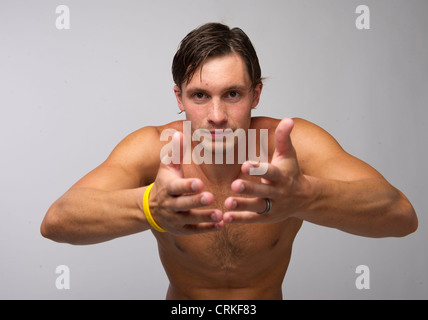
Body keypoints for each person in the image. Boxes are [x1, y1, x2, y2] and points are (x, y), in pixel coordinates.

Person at [41, 22, 418, 300]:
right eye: (200, 95)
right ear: (179, 98)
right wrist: (149, 206)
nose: (217, 115)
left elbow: (401, 215)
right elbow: (58, 220)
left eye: (232, 94)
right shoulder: (155, 146)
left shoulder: (291, 143)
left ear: (256, 94)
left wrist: (306, 196)